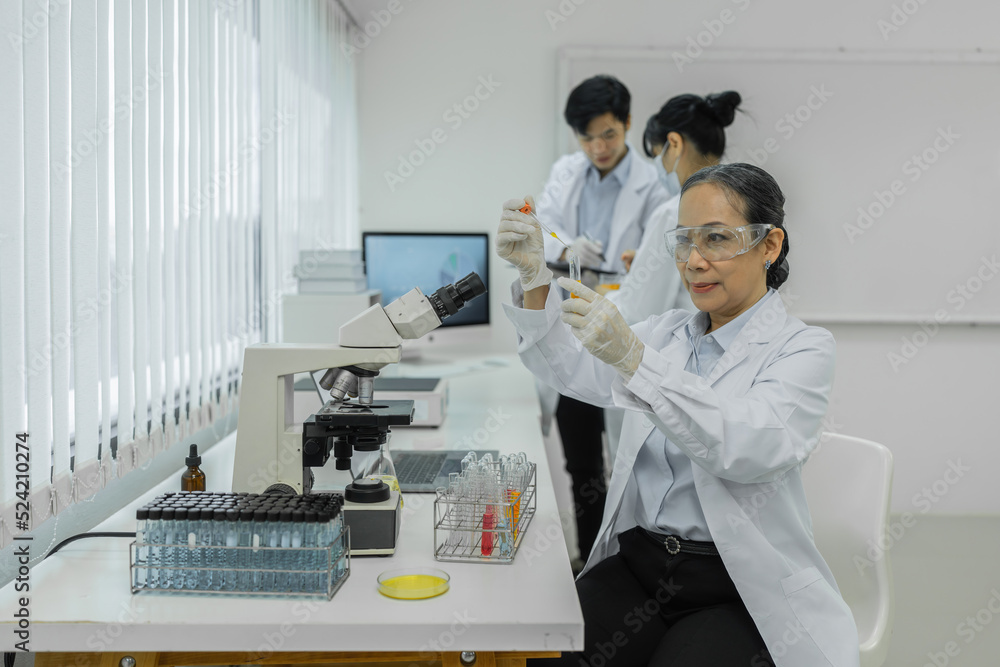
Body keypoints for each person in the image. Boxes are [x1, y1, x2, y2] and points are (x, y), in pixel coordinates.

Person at [497, 163, 859, 666]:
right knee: (545, 650)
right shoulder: (665, 333)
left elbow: (746, 446)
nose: (693, 261)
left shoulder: (802, 349)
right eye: (685, 241)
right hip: (641, 565)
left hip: (735, 584)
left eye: (716, 239)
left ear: (769, 245)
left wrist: (635, 361)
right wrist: (534, 275)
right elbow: (570, 369)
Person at [532, 75, 671, 566]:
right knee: (582, 464)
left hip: (628, 332)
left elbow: (666, 250)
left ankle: (625, 564)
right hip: (573, 329)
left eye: (608, 134)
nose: (598, 147)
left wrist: (639, 260)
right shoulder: (566, 172)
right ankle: (588, 561)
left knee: (633, 461)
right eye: (587, 137)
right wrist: (564, 246)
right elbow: (542, 227)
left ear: (628, 124)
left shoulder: (654, 185)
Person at [603, 91, 743, 466]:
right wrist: (645, 267)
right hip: (720, 382)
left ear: (674, 144)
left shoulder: (675, 212)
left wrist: (589, 300)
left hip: (675, 385)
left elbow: (634, 311)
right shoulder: (744, 203)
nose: (658, 169)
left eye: (656, 156)